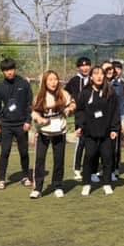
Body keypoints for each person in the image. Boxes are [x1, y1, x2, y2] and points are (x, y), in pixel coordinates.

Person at [29, 70, 76, 199]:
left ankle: (58, 186)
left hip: (59, 132)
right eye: (50, 80)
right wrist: (39, 119)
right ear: (45, 82)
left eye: (55, 79)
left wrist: (70, 108)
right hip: (43, 133)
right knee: (40, 160)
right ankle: (37, 188)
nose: (53, 82)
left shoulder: (63, 94)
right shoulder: (40, 96)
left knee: (59, 160)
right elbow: (33, 112)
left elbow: (72, 103)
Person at [76, 65, 120, 197]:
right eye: (96, 74)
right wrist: (80, 126)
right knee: (89, 157)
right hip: (90, 133)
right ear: (91, 77)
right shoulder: (85, 93)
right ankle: (86, 184)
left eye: (101, 74)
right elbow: (80, 111)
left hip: (106, 133)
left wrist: (114, 128)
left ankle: (107, 183)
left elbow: (115, 111)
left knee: (107, 157)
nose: (99, 76)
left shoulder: (110, 92)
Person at [0, 58, 33, 190]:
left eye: (11, 69)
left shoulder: (24, 84)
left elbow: (29, 104)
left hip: (22, 124)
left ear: (15, 69)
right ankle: (2, 179)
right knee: (5, 151)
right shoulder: (0, 87)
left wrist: (28, 121)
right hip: (6, 125)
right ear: (3, 72)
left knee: (24, 152)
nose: (9, 72)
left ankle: (25, 176)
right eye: (6, 70)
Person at [65, 56, 92, 180]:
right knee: (81, 142)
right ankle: (77, 169)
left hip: (93, 116)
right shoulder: (74, 80)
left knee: (92, 143)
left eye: (87, 65)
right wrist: (71, 102)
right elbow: (65, 93)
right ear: (78, 68)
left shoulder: (93, 79)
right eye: (82, 65)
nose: (85, 68)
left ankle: (91, 169)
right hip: (80, 115)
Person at [110, 60, 124, 179]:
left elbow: (123, 104)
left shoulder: (123, 85)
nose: (116, 71)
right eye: (114, 68)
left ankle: (115, 168)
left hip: (118, 118)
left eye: (119, 68)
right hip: (106, 118)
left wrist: (123, 121)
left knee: (116, 145)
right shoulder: (106, 83)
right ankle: (105, 167)